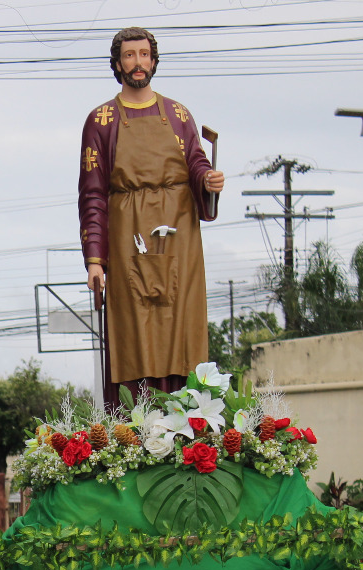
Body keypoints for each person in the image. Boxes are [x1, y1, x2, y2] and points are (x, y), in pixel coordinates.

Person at [79, 26, 224, 398]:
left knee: (183, 332)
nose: (137, 63)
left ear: (154, 60)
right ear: (117, 63)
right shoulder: (101, 121)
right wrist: (95, 260)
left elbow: (195, 160)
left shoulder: (178, 114)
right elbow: (92, 192)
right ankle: (132, 433)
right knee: (131, 334)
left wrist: (207, 179)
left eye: (144, 55)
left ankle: (187, 428)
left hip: (179, 235)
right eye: (129, 55)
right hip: (127, 237)